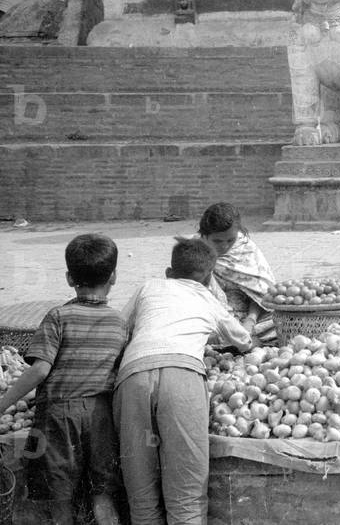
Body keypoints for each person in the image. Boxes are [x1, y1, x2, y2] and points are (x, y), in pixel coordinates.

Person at [114, 238, 252, 525]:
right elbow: (243, 340)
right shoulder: (208, 299)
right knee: (186, 496)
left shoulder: (149, 286)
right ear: (210, 277)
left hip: (133, 377)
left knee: (141, 497)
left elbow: (118, 329)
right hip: (182, 378)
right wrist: (249, 319)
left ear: (169, 271)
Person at [0, 234, 126, 525]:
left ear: (69, 278)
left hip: (57, 417)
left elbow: (39, 370)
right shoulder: (119, 322)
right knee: (103, 494)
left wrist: (4, 403)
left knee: (60, 498)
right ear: (115, 276)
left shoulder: (58, 316)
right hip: (101, 416)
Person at [197, 202, 277, 345]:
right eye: (217, 241)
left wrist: (250, 320)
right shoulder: (194, 252)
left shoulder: (245, 248)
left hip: (250, 315)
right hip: (212, 318)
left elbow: (261, 292)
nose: (225, 246)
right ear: (204, 235)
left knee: (282, 320)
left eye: (230, 240)